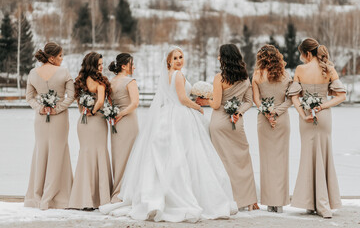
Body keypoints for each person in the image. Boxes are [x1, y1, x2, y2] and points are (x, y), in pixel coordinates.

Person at [99, 46, 237, 222]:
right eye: (176, 58)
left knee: (174, 156)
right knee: (189, 155)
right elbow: (182, 99)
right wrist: (197, 107)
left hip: (168, 115)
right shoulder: (178, 75)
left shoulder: (169, 75)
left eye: (181, 57)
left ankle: (167, 192)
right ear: (169, 61)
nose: (179, 60)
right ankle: (184, 195)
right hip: (180, 115)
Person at [288, 38, 346, 218]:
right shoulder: (328, 68)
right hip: (324, 117)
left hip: (306, 117)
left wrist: (302, 113)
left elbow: (294, 97)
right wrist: (323, 106)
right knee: (325, 155)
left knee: (308, 156)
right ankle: (324, 203)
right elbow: (341, 96)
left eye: (301, 53)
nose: (300, 57)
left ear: (306, 53)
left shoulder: (300, 69)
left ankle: (311, 203)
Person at [197, 44, 258, 211]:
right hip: (236, 123)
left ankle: (224, 199)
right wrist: (238, 112)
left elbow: (216, 104)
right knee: (242, 160)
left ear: (224, 58)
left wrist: (204, 102)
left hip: (219, 123)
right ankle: (248, 200)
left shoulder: (220, 78)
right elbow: (249, 102)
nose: (217, 58)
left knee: (220, 162)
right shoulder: (246, 78)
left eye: (219, 55)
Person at [25, 42, 74, 209]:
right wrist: (57, 108)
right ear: (52, 58)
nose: (62, 59)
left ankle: (37, 195)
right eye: (60, 56)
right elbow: (72, 96)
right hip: (58, 118)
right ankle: (57, 197)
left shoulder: (33, 73)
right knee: (58, 152)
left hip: (40, 119)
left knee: (41, 152)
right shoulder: (63, 72)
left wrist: (40, 108)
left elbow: (29, 97)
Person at [68, 52, 113, 210]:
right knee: (100, 153)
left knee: (85, 154)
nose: (102, 67)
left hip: (83, 122)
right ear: (92, 65)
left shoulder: (80, 81)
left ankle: (83, 198)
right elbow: (100, 100)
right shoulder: (99, 81)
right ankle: (101, 199)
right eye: (99, 64)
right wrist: (93, 111)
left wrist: (86, 111)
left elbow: (79, 105)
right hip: (97, 121)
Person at [252, 44, 292, 213]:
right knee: (282, 161)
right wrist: (276, 112)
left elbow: (256, 100)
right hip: (282, 120)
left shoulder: (257, 74)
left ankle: (269, 203)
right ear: (277, 56)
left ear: (260, 58)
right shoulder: (286, 74)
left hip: (264, 120)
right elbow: (290, 100)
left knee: (266, 161)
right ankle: (280, 203)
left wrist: (268, 113)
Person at [108, 53, 139, 202]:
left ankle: (117, 190)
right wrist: (122, 113)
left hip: (115, 123)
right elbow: (134, 103)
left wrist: (115, 114)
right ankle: (127, 190)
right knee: (131, 155)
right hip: (128, 121)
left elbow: (109, 103)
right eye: (132, 64)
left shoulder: (110, 82)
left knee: (118, 156)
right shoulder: (130, 81)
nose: (134, 67)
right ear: (124, 66)